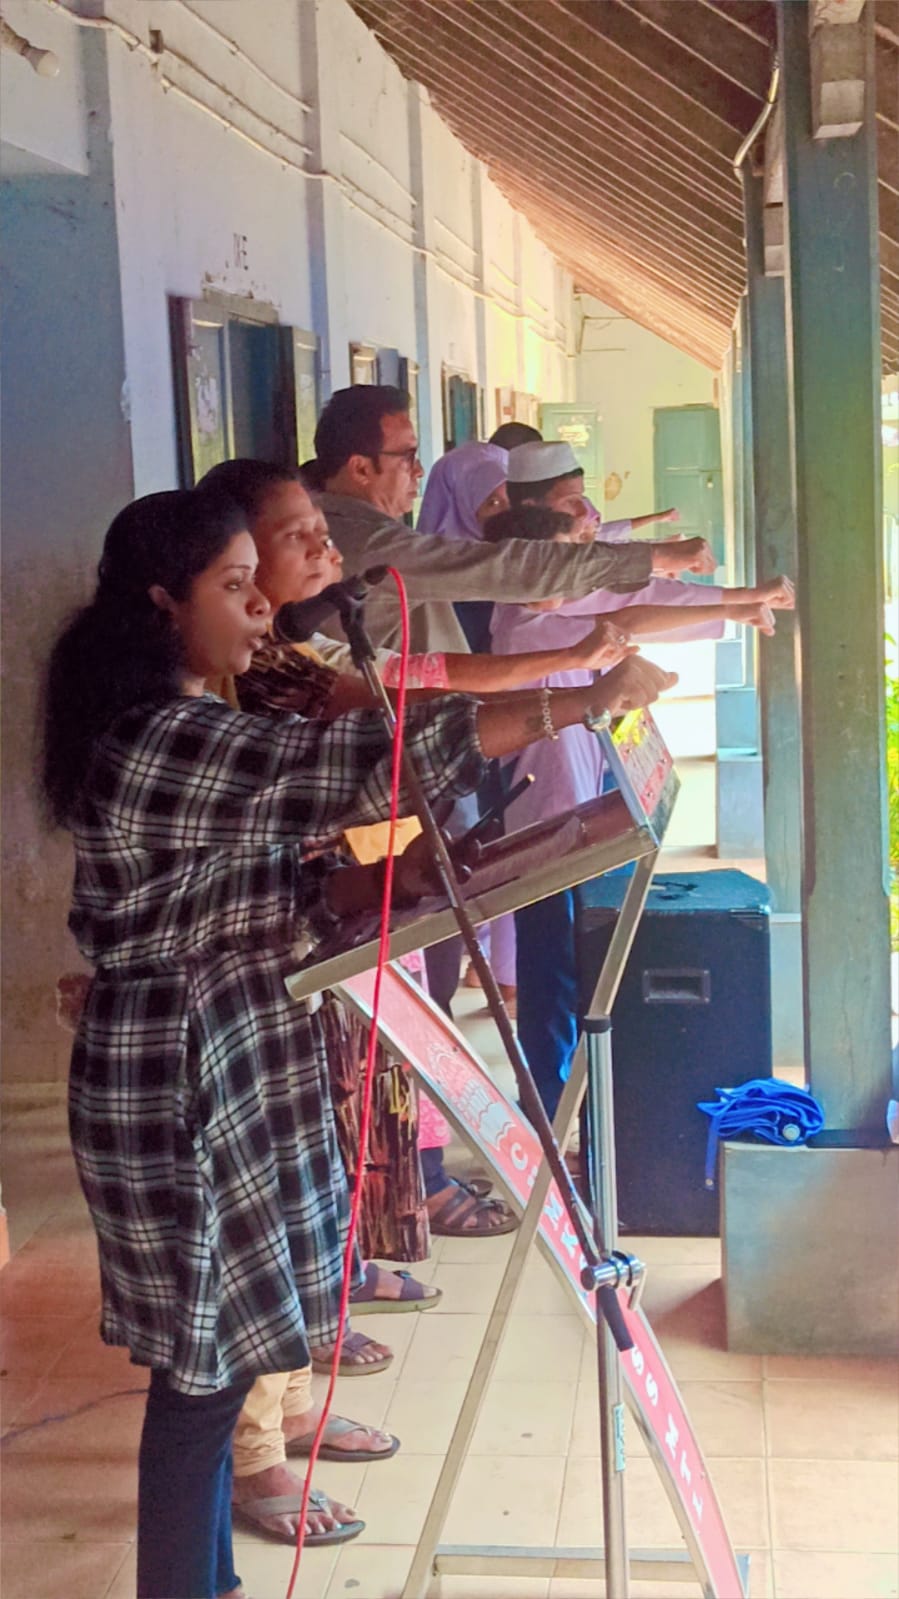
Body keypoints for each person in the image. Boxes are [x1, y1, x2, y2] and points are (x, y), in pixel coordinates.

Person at [43, 484, 679, 1597]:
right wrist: (574, 700)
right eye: (234, 587)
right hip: (183, 1077)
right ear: (161, 604)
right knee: (200, 1376)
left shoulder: (196, 720)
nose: (260, 610)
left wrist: (402, 880)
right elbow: (350, 766)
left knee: (224, 1360)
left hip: (235, 1051)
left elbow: (267, 881)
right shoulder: (154, 739)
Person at [484, 502, 794, 1119]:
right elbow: (629, 616)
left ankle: (570, 1107)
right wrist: (734, 603)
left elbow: (635, 604)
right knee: (554, 977)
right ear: (528, 570)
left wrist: (732, 606)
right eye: (566, 560)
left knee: (573, 969)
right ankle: (548, 1110)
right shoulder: (527, 628)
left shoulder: (548, 612)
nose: (576, 573)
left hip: (577, 823)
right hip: (543, 833)